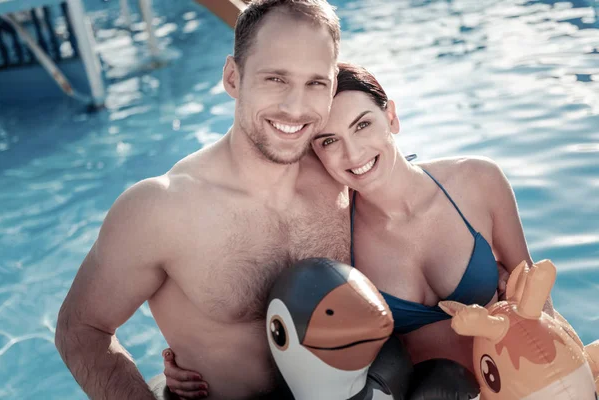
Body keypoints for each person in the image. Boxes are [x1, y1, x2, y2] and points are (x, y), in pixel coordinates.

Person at [162, 62, 553, 398]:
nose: (353, 154)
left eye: (362, 124)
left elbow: (538, 300)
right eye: (329, 141)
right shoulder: (334, 236)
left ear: (392, 118)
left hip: (517, 386)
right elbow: (275, 320)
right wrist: (196, 363)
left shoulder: (478, 182)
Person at [54, 1, 349, 399]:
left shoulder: (344, 172)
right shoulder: (162, 208)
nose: (295, 108)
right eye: (275, 79)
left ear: (332, 88)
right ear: (232, 77)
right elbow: (81, 331)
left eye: (315, 83)